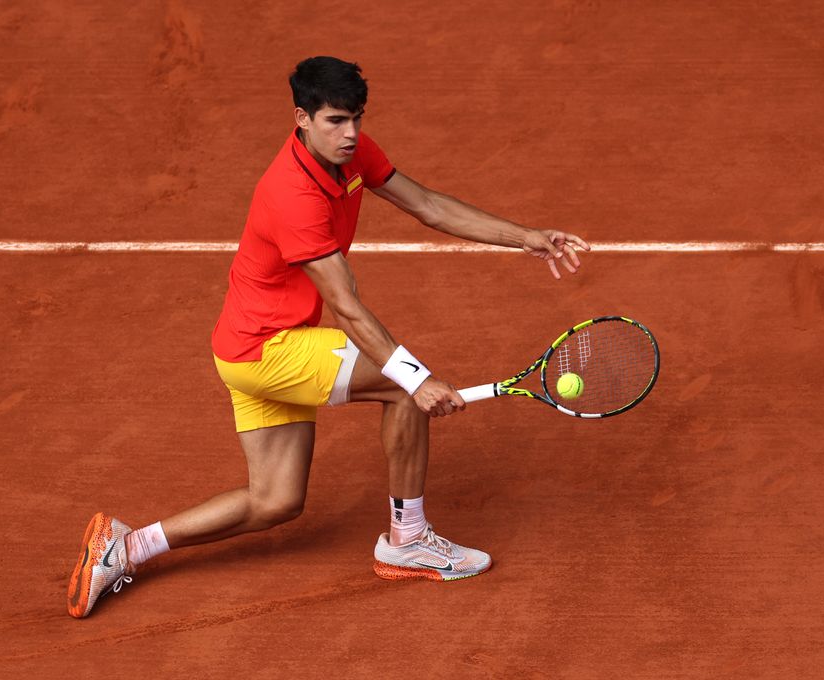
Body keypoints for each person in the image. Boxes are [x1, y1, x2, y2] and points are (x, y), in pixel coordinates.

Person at [67, 56, 590, 618]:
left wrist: (526, 237)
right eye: (336, 121)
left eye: (357, 120)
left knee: (276, 501)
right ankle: (408, 542)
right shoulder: (292, 196)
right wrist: (415, 378)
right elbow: (345, 305)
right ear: (302, 118)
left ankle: (123, 547)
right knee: (400, 383)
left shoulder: (351, 153)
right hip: (269, 349)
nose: (350, 134)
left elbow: (429, 206)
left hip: (243, 347)